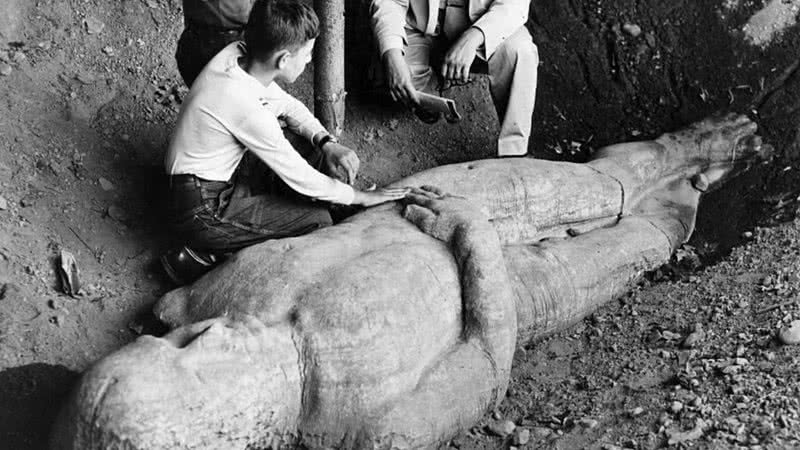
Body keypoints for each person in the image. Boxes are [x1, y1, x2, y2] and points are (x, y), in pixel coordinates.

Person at [162, 0, 409, 283]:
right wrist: (360, 197)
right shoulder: (244, 105)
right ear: (282, 60)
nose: (309, 61)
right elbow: (299, 176)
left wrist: (326, 141)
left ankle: (249, 225)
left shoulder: (240, 55)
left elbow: (288, 106)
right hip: (201, 208)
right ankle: (205, 258)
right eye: (306, 54)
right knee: (317, 221)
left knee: (313, 152)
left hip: (214, 176)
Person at [370, 0, 538, 157]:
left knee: (520, 50)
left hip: (478, 25)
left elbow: (515, 4)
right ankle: (432, 84)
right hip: (418, 27)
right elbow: (388, 2)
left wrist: (475, 36)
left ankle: (514, 153)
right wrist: (392, 56)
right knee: (394, 76)